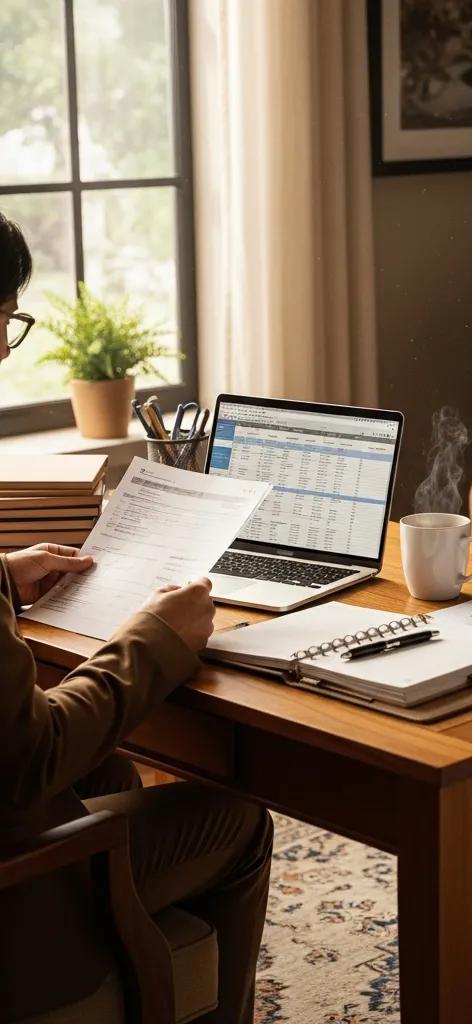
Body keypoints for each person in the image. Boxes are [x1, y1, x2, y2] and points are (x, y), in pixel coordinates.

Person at [0, 211, 273, 1023]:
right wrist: (156, 640)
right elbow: (29, 761)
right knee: (239, 820)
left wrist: (5, 581)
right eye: (5, 317)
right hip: (15, 894)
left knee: (111, 773)